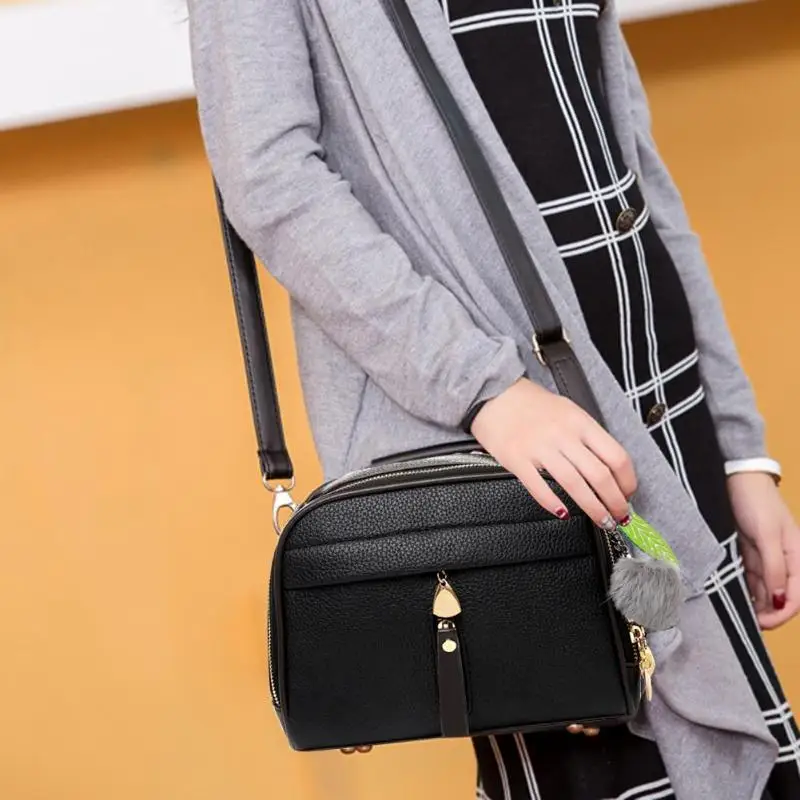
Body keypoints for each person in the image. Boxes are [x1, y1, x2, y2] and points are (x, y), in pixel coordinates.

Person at [187, 0, 800, 797]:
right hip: (520, 446)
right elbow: (270, 182)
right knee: (602, 764)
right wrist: (486, 391)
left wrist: (740, 448)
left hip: (666, 422)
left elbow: (630, 168)